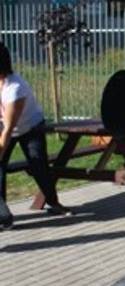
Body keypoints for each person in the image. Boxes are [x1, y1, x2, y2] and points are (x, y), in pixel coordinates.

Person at [0, 42, 72, 228]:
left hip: (30, 128)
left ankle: (54, 203)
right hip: (5, 127)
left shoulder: (15, 88)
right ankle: (2, 214)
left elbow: (8, 129)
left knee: (38, 163)